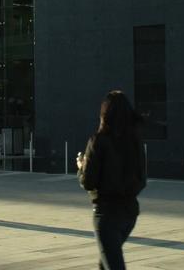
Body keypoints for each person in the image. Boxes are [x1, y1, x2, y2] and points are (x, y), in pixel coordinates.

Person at [77, 90, 146, 270]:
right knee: (106, 262)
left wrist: (81, 167)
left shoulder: (98, 141)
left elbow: (88, 182)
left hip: (107, 213)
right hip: (130, 212)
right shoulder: (135, 141)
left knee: (112, 264)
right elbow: (142, 179)